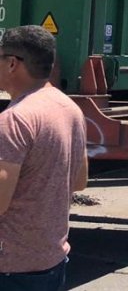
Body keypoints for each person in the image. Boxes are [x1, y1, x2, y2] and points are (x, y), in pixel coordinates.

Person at [0, 25, 88, 290]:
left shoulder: (14, 120)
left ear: (12, 63)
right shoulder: (69, 108)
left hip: (11, 268)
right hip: (52, 259)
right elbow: (80, 180)